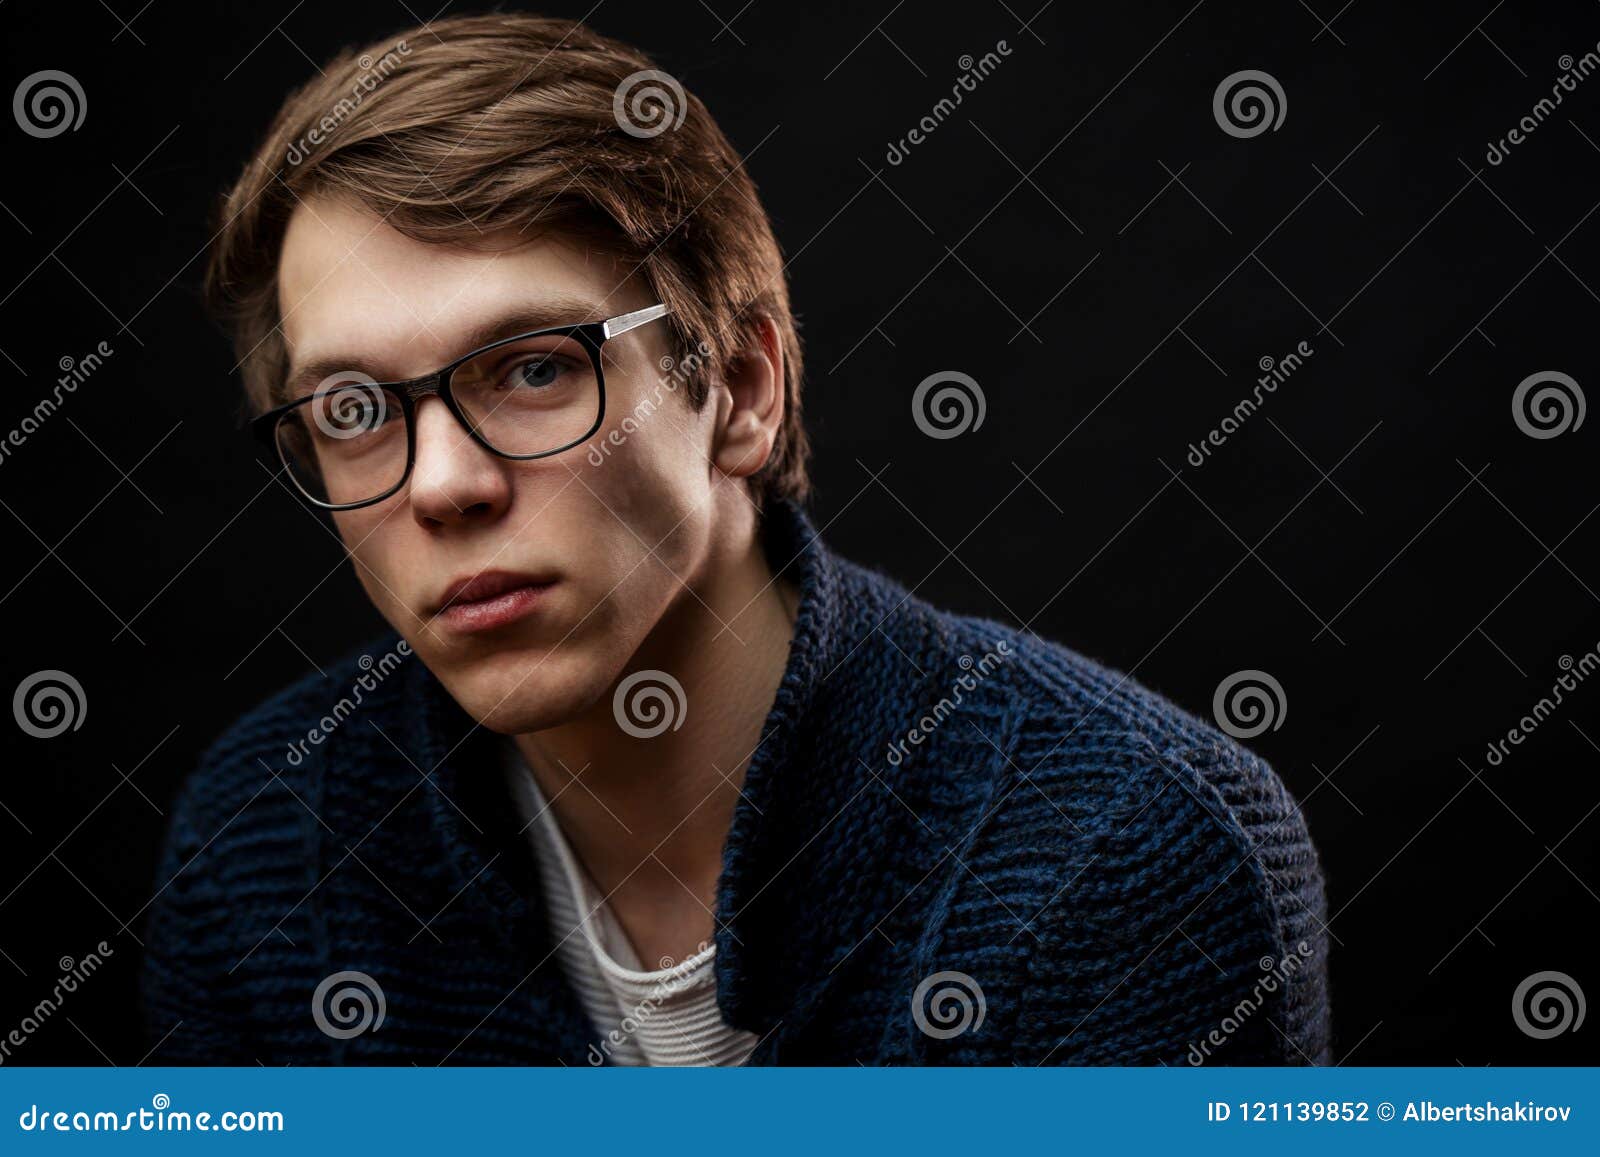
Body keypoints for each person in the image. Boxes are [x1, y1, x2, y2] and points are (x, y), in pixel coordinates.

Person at [144, 12, 1330, 1065]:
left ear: (743, 388)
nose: (444, 483)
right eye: (354, 409)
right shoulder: (267, 837)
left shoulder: (1127, 849)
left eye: (538, 369)